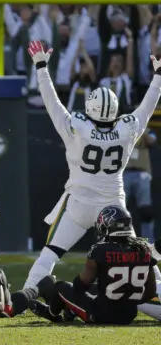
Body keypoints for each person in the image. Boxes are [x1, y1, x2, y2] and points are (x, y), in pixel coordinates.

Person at [23, 40, 161, 290]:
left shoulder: (78, 128)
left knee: (50, 254)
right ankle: (159, 292)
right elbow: (147, 108)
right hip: (113, 207)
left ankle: (24, 296)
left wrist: (41, 66)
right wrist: (158, 76)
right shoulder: (126, 129)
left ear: (89, 107)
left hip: (79, 204)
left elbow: (52, 103)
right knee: (140, 259)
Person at [32, 205, 157, 324]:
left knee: (60, 287)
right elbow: (150, 292)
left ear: (107, 225)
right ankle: (70, 310)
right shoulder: (144, 249)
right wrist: (128, 301)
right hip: (129, 315)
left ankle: (52, 314)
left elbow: (81, 285)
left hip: (100, 315)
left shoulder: (99, 250)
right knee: (99, 287)